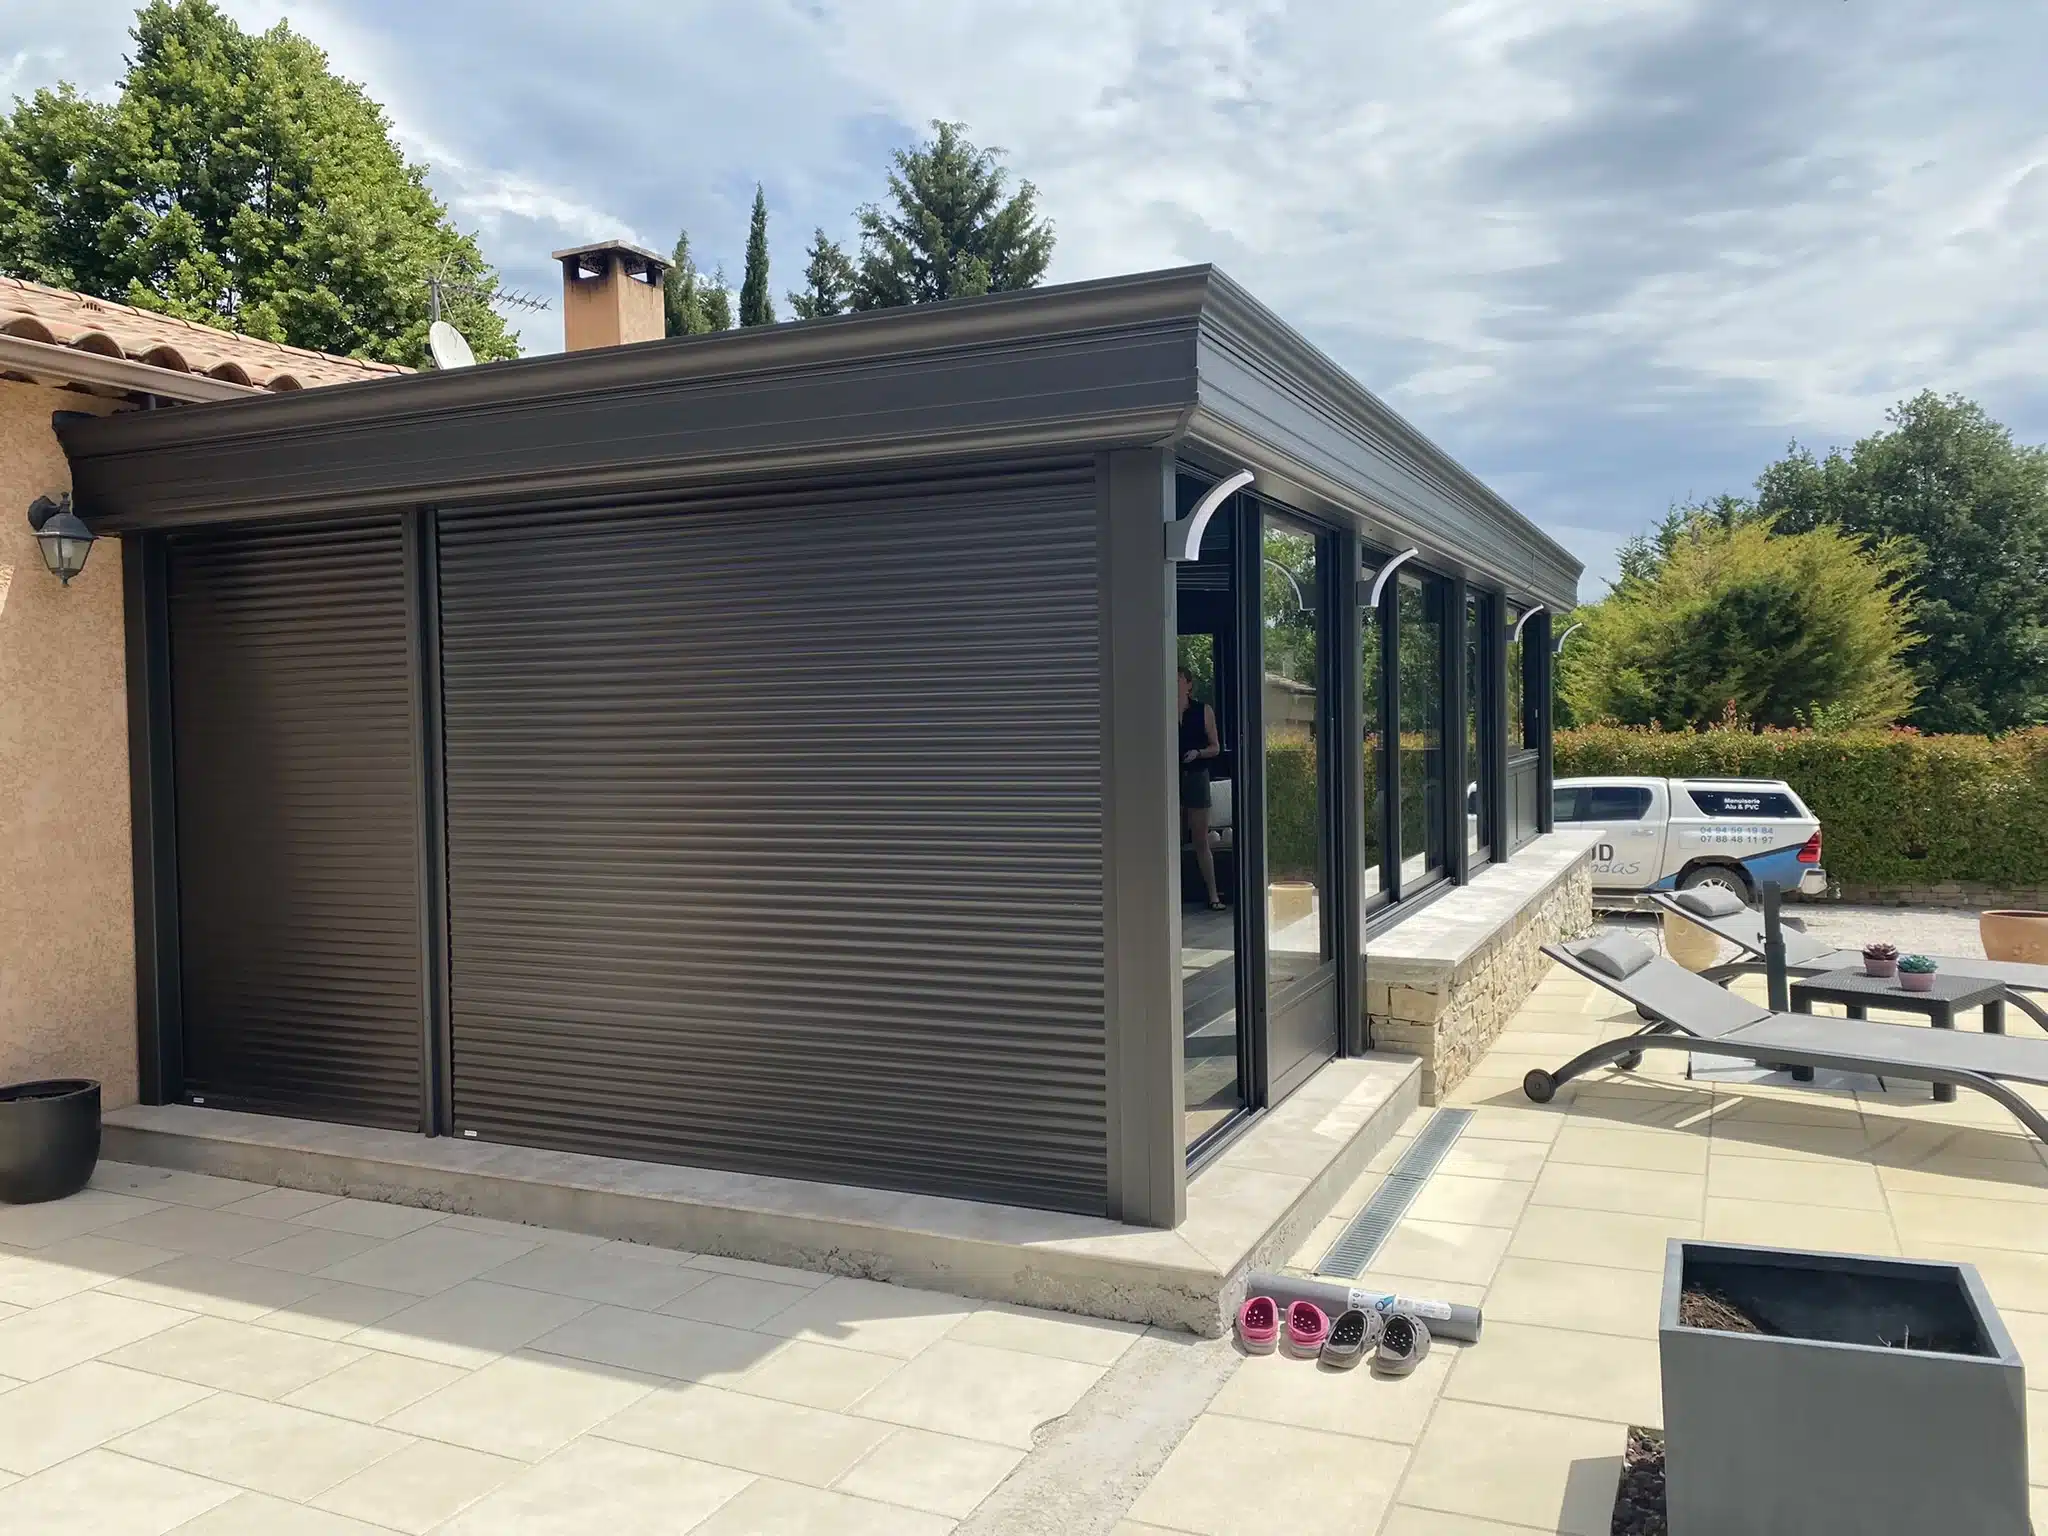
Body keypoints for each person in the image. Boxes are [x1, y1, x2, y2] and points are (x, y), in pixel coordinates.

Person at [1178, 668, 1226, 911]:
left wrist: (1198, 753)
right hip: (1170, 777)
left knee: (1200, 838)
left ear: (1189, 685)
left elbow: (1216, 747)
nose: (1174, 684)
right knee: (1169, 838)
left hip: (1196, 775)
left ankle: (1213, 895)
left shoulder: (1202, 710)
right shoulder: (1162, 710)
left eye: (1178, 680)